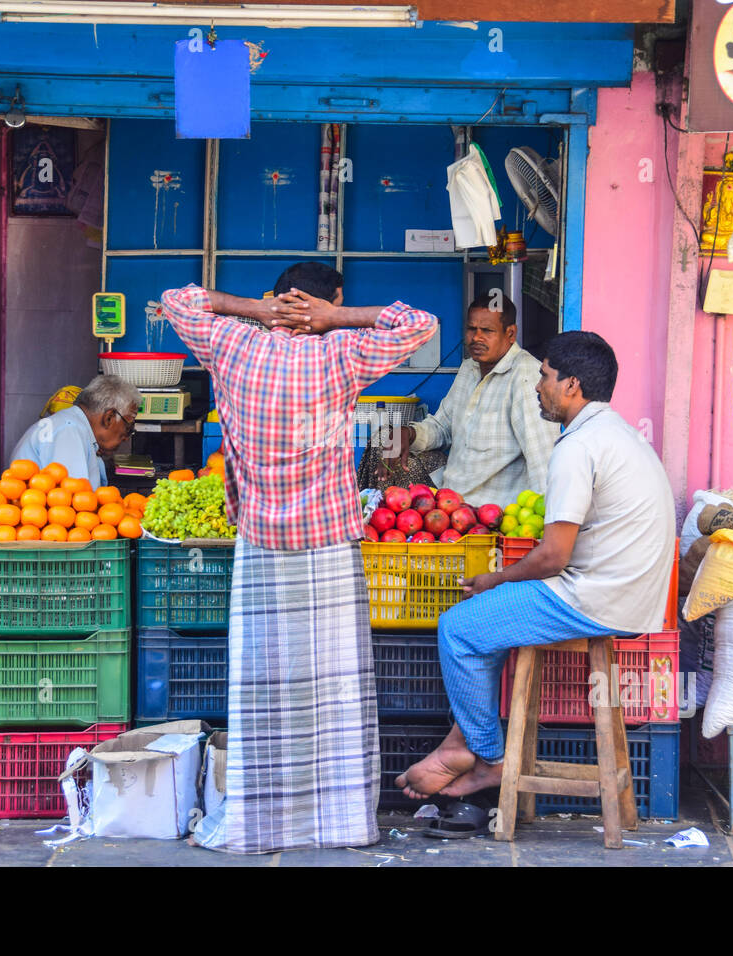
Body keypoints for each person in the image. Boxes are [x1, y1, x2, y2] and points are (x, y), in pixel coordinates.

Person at [160, 262, 437, 855]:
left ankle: (261, 825)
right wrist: (336, 318)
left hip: (261, 542)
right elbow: (421, 323)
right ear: (327, 302)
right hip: (329, 546)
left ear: (281, 298)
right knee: (335, 694)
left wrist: (259, 310)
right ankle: (339, 823)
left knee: (263, 694)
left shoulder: (232, 344)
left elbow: (177, 299)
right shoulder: (340, 352)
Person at [395, 330, 675, 802]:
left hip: (596, 597)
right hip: (627, 595)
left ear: (572, 385)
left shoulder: (578, 447)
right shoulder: (617, 433)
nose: (537, 386)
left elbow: (552, 556)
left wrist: (492, 580)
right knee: (487, 629)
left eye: (544, 376)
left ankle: (487, 756)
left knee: (459, 626)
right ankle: (460, 743)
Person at [377, 293, 559, 506]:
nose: (476, 338)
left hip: (492, 513)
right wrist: (407, 434)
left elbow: (543, 460)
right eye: (472, 329)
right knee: (383, 444)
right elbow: (442, 427)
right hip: (450, 502)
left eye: (487, 331)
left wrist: (544, 527)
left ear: (510, 334)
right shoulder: (469, 368)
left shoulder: (526, 376)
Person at [8, 374, 139, 486]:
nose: (127, 437)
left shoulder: (72, 425)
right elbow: (75, 502)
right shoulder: (69, 432)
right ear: (109, 418)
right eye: (128, 426)